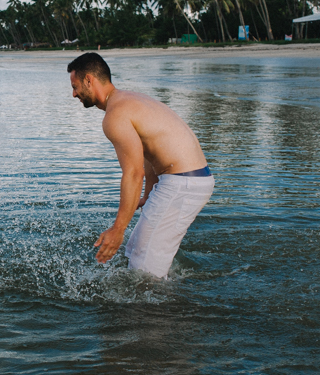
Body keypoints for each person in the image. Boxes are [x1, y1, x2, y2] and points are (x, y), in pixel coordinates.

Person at [67, 53, 213, 278]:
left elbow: (134, 173)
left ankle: (155, 312)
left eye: (75, 86)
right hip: (184, 179)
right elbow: (147, 155)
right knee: (134, 251)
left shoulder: (115, 115)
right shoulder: (128, 100)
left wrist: (118, 229)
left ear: (89, 80)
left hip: (184, 182)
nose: (74, 93)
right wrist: (149, 194)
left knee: (145, 271)